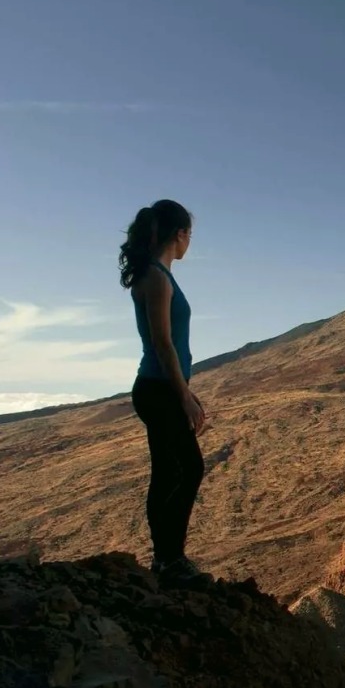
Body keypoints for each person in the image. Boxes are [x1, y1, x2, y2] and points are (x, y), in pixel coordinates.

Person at [120, 199, 210, 585]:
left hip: (158, 387)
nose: (190, 242)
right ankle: (171, 560)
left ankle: (165, 560)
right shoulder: (157, 278)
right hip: (159, 388)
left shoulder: (157, 275)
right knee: (189, 469)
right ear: (180, 234)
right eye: (190, 234)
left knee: (168, 472)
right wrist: (183, 396)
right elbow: (162, 342)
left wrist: (186, 392)